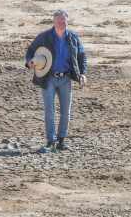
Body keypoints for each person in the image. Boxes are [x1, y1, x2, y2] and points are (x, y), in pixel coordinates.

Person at [25, 9, 88, 153]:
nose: (62, 23)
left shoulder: (73, 37)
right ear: (54, 21)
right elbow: (31, 51)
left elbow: (82, 56)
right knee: (49, 111)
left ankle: (61, 140)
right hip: (49, 78)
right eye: (59, 20)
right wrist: (30, 62)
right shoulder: (45, 36)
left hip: (66, 78)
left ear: (67, 21)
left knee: (66, 111)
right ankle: (50, 141)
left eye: (64, 20)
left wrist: (83, 73)